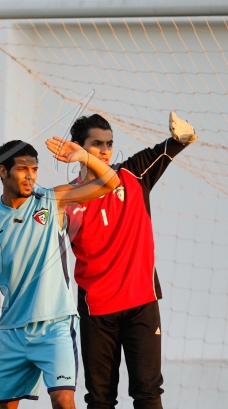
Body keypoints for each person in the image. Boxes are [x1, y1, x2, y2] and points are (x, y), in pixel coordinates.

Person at [0, 138, 120, 409]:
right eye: (23, 169)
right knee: (0, 407)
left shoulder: (52, 200)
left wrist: (84, 156)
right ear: (3, 171)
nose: (31, 176)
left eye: (34, 169)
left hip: (55, 325)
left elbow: (111, 182)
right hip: (12, 331)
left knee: (63, 400)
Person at [64, 112, 197, 409]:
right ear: (78, 147)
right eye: (96, 144)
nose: (105, 150)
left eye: (109, 144)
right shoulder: (67, 199)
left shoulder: (132, 173)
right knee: (100, 400)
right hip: (96, 310)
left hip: (141, 304)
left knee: (148, 394)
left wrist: (184, 134)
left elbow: (174, 145)